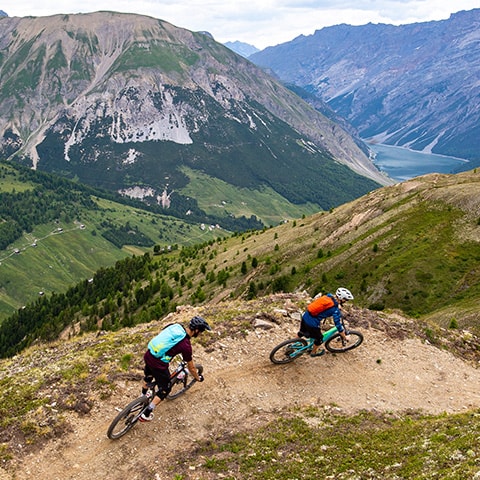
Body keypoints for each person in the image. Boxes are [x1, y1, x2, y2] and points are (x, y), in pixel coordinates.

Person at [139, 315, 211, 422]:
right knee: (166, 388)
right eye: (201, 331)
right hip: (158, 364)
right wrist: (197, 378)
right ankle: (147, 413)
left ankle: (143, 396)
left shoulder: (176, 326)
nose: (200, 334)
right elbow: (191, 368)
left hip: (149, 354)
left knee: (148, 376)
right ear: (196, 330)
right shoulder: (186, 345)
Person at [299, 287, 354, 357]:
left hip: (306, 315)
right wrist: (345, 337)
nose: (345, 301)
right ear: (342, 299)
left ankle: (291, 344)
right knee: (319, 339)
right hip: (312, 323)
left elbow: (332, 302)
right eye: (345, 300)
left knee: (301, 333)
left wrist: (337, 305)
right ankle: (313, 353)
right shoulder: (335, 310)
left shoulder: (328, 296)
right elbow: (338, 325)